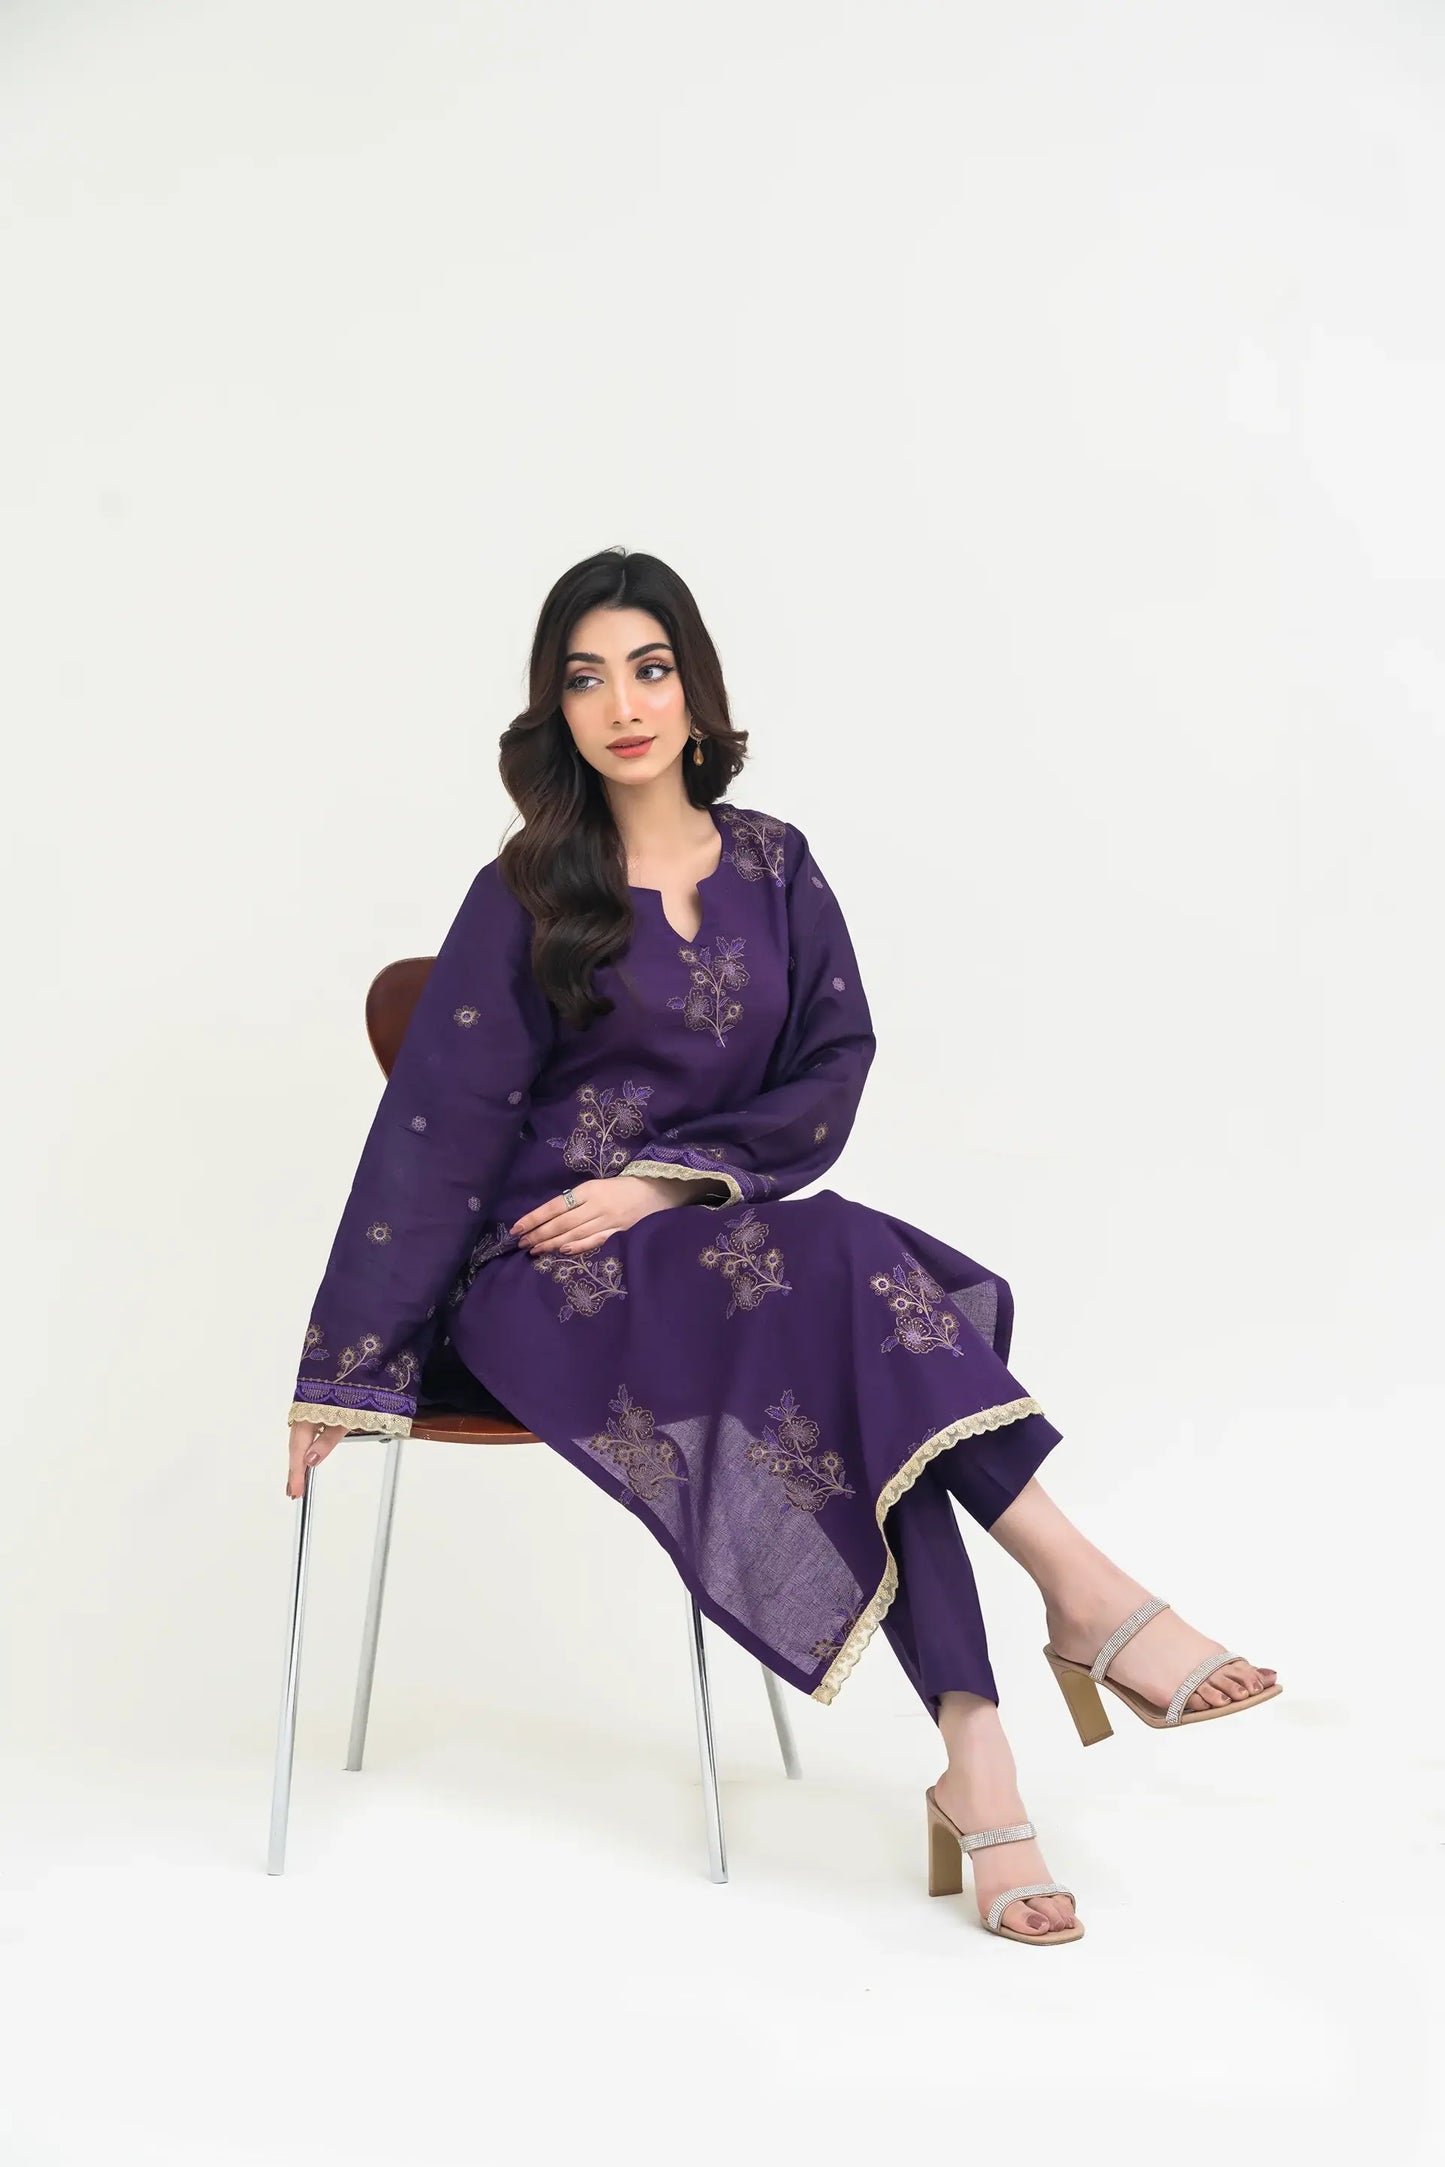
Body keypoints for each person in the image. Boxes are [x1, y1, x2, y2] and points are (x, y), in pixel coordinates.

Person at [284, 546, 1280, 1946]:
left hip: (712, 1250)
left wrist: (667, 1186)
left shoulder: (775, 865)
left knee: (848, 1322)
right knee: (848, 1271)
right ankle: (1082, 1597)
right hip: (545, 1281)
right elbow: (433, 1135)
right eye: (585, 679)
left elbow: (830, 1067)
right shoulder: (524, 888)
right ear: (556, 709)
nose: (623, 705)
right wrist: (343, 1364)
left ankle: (981, 1759)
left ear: (693, 687)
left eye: (648, 669)